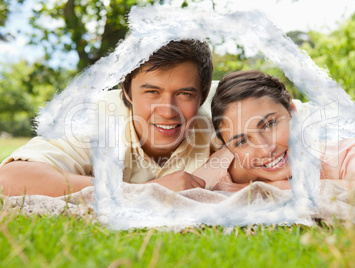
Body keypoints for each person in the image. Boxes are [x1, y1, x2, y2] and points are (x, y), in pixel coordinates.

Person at [0, 40, 214, 197]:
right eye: (152, 92)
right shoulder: (95, 118)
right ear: (128, 92)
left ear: (202, 96)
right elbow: (10, 178)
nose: (168, 111)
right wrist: (145, 191)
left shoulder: (227, 109)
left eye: (185, 94)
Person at [193, 70, 355, 195]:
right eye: (241, 142)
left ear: (293, 110)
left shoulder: (344, 152)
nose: (266, 149)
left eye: (269, 125)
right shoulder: (225, 170)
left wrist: (286, 188)